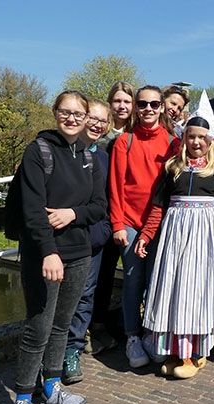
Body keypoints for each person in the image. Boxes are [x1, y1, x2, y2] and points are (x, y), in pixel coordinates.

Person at [8, 90, 107, 404]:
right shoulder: (39, 151)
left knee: (62, 325)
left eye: (78, 113)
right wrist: (48, 251)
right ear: (55, 113)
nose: (72, 119)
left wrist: (73, 214)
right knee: (38, 327)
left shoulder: (90, 157)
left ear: (85, 117)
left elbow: (99, 207)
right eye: (65, 112)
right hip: (44, 254)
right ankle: (21, 399)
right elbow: (33, 209)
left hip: (79, 253)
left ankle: (51, 387)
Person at [136, 93, 214, 379]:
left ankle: (195, 353)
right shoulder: (172, 167)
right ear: (184, 138)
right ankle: (176, 350)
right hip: (176, 237)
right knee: (175, 291)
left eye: (201, 137)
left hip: (205, 238)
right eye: (191, 137)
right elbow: (158, 207)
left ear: (210, 139)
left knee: (198, 292)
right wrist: (146, 236)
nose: (196, 142)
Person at [109, 85, 176, 368]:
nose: (148, 109)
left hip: (159, 221)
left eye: (154, 104)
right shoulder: (125, 141)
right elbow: (115, 186)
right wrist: (118, 224)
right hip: (131, 221)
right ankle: (132, 336)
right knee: (134, 279)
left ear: (162, 108)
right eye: (143, 104)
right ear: (136, 107)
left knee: (156, 281)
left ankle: (152, 331)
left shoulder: (173, 143)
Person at [62, 99, 113, 384]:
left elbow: (108, 197)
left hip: (91, 238)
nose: (96, 124)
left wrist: (103, 231)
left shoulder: (104, 157)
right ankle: (51, 350)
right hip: (63, 235)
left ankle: (72, 351)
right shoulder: (58, 150)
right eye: (92, 118)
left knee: (84, 295)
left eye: (102, 121)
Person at [90, 81, 137, 354]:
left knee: (130, 273)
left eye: (127, 102)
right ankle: (95, 326)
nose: (122, 106)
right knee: (103, 272)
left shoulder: (134, 135)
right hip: (104, 213)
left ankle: (120, 323)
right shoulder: (100, 136)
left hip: (129, 214)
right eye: (117, 101)